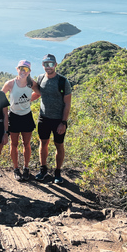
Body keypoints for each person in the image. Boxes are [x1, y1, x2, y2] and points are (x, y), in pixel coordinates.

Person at [32, 54, 72, 184]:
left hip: (58, 120)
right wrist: (21, 102)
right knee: (43, 144)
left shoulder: (63, 81)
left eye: (50, 64)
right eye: (45, 63)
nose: (47, 66)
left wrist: (63, 122)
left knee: (59, 145)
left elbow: (67, 104)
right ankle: (43, 170)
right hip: (43, 118)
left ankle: (57, 172)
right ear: (42, 65)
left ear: (55, 65)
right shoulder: (40, 78)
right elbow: (38, 94)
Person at [1, 60, 39, 181]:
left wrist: (28, 100)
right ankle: (16, 168)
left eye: (26, 69)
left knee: (26, 144)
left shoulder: (31, 83)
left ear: (29, 71)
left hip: (26, 116)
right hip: (14, 116)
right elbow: (1, 97)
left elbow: (39, 93)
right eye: (21, 69)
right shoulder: (10, 84)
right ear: (17, 69)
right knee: (14, 144)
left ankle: (26, 168)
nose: (23, 71)